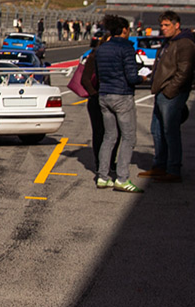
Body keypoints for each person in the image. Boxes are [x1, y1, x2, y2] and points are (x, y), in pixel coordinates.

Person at [140, 10, 194, 183]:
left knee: (170, 131)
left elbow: (185, 71)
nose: (163, 28)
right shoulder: (169, 42)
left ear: (177, 25)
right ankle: (160, 165)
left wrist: (170, 90)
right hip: (162, 92)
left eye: (167, 25)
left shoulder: (185, 43)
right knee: (157, 130)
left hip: (172, 93)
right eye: (162, 25)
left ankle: (173, 169)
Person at [93, 15, 142, 192]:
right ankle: (122, 178)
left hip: (104, 94)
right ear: (124, 30)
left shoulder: (101, 49)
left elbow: (98, 73)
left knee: (109, 137)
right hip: (122, 95)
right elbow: (132, 76)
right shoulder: (126, 48)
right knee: (129, 137)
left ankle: (102, 176)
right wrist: (142, 78)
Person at [81, 33, 118, 173]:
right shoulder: (95, 55)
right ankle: (100, 163)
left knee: (116, 132)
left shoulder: (116, 56)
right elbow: (85, 79)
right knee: (99, 132)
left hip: (113, 97)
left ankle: (111, 161)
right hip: (97, 99)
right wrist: (95, 94)